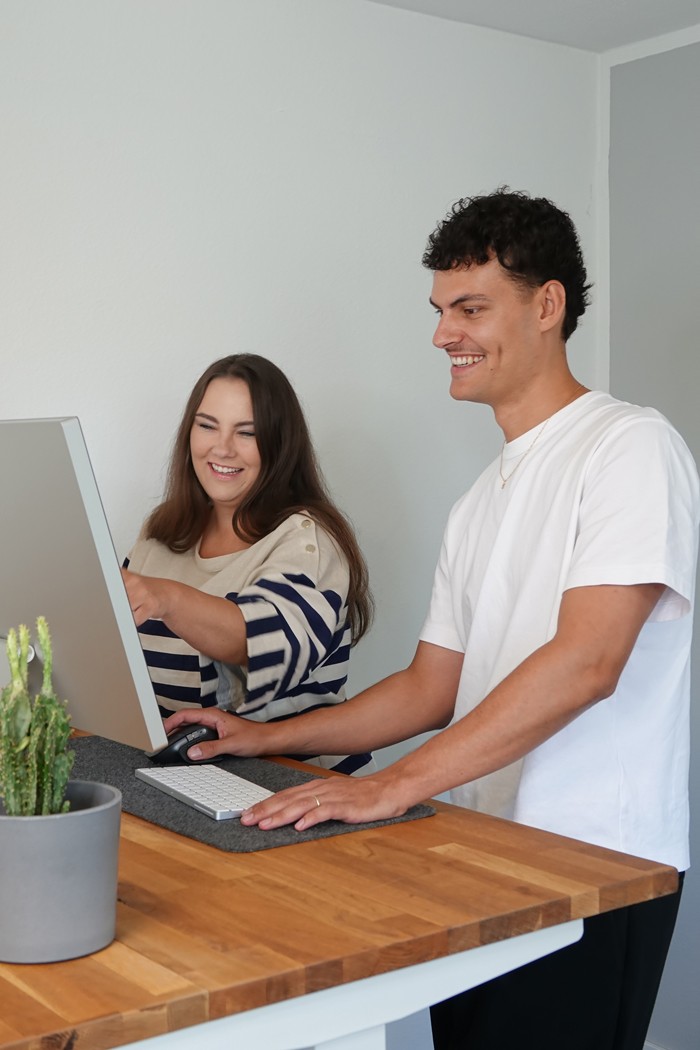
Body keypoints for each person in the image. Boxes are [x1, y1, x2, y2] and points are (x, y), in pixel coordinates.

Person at [163, 191, 699, 1050]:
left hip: (597, 871)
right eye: (441, 310)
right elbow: (428, 687)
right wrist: (265, 739)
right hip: (480, 862)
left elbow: (590, 661)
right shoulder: (478, 502)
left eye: (472, 308)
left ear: (548, 305)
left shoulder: (629, 446)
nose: (445, 333)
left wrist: (392, 785)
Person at [121, 353, 375, 776]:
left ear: (280, 445)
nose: (221, 448)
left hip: (296, 782)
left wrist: (167, 598)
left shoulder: (307, 540)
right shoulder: (159, 532)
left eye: (247, 433)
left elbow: (265, 645)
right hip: (186, 774)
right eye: (207, 426)